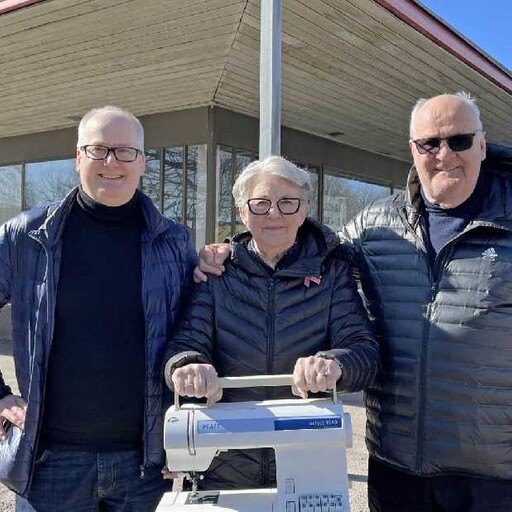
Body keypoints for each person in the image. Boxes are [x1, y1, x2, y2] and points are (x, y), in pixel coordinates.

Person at [196, 92, 512, 511]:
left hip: (492, 472)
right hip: (396, 464)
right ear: (412, 151)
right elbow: (303, 249)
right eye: (429, 144)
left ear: (483, 146)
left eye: (458, 141)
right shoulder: (375, 224)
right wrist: (232, 251)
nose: (444, 155)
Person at [0, 106, 197, 511]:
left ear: (142, 163)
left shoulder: (174, 241)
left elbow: (196, 329)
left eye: (125, 151)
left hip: (143, 465)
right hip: (51, 462)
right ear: (77, 159)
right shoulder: (26, 236)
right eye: (98, 150)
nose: (111, 162)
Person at [164, 155, 379, 490]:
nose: (274, 213)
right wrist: (189, 366)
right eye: (261, 203)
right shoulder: (217, 275)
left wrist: (334, 365)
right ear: (242, 212)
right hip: (226, 467)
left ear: (305, 209)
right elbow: (185, 343)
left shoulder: (332, 274)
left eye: (287, 202)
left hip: (307, 464)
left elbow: (365, 352)